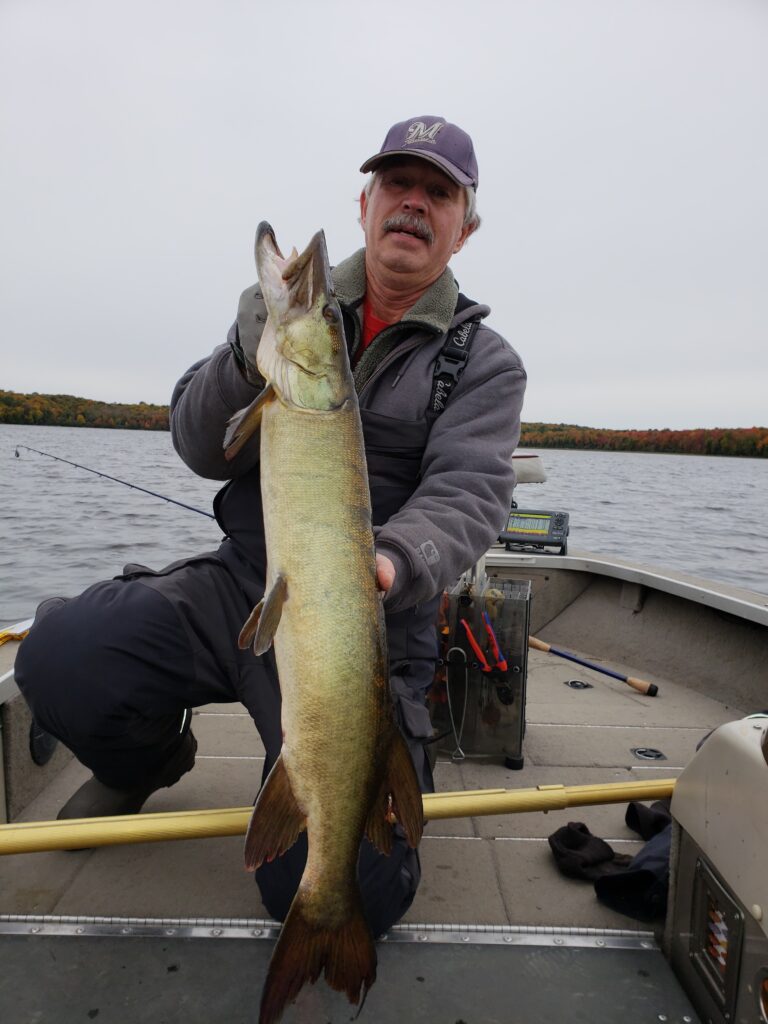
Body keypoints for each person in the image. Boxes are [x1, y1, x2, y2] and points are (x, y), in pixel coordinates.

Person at [16, 115, 527, 935]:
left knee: (355, 883)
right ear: (365, 202)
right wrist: (244, 350)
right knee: (60, 661)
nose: (413, 205)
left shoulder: (484, 362)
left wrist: (392, 560)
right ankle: (145, 760)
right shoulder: (281, 326)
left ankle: (325, 818)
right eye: (398, 185)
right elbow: (196, 443)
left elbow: (472, 492)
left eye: (439, 193)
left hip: (369, 622)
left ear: (463, 228)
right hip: (246, 585)